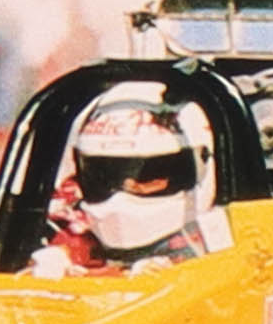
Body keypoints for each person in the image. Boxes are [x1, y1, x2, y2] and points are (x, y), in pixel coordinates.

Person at [30, 88, 230, 277]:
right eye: (106, 175)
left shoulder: (225, 239)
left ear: (200, 168)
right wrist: (58, 259)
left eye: (148, 175)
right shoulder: (69, 220)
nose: (120, 198)